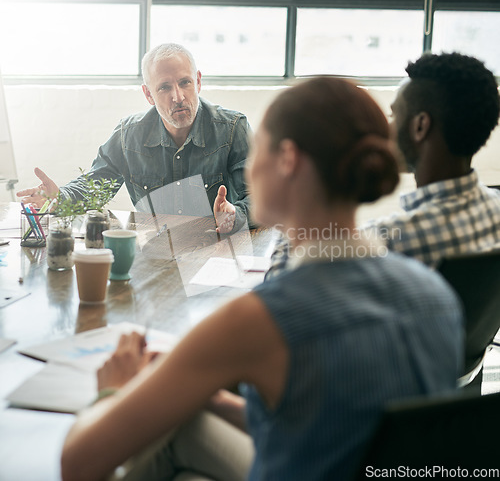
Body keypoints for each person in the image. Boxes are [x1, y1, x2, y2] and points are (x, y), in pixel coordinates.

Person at [61, 77, 463, 481]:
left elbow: (77, 462)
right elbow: (334, 425)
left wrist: (114, 390)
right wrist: (210, 397)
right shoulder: (438, 295)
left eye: (259, 152)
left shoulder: (259, 319)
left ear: (287, 160)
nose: (249, 169)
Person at [266, 52, 500, 278]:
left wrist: (302, 193)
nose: (388, 128)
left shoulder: (385, 240)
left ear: (420, 127)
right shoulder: (496, 210)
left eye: (394, 115)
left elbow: (281, 286)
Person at [16, 43, 252, 233]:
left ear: (198, 81)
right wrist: (59, 198)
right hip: (156, 253)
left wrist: (234, 214)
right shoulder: (128, 135)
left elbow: (259, 199)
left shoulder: (232, 129)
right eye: (164, 88)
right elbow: (95, 185)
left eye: (185, 83)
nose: (178, 96)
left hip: (216, 249)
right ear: (148, 94)